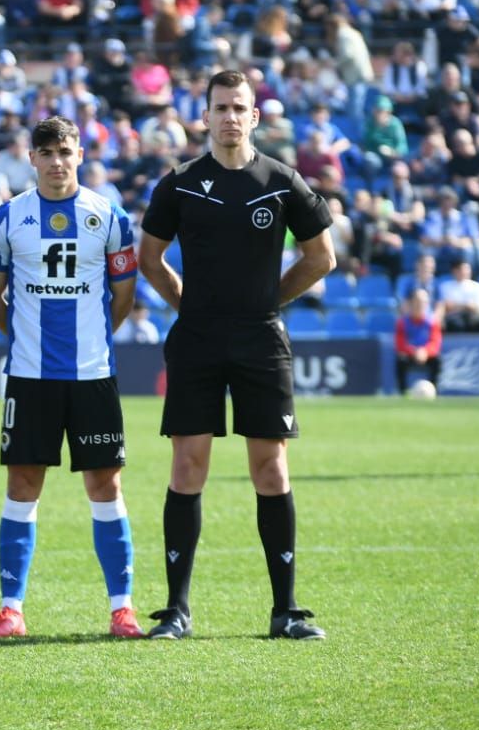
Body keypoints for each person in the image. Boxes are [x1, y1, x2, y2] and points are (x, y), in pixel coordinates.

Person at [137, 69, 336, 641]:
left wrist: (268, 300)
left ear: (254, 116)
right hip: (197, 338)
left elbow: (322, 258)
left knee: (270, 467)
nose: (229, 117)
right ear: (205, 116)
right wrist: (188, 304)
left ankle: (285, 611)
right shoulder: (179, 183)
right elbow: (149, 258)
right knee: (188, 465)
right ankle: (176, 611)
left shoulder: (281, 181)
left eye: (238, 107)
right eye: (219, 107)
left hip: (260, 339)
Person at [0, 116, 145, 640]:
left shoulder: (109, 216)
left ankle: (122, 609)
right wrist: (23, 336)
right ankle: (11, 610)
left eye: (65, 151)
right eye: (46, 152)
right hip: (30, 377)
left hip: (93, 375)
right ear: (31, 158)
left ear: (80, 155)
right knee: (22, 484)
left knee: (106, 484)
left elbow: (123, 296)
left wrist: (92, 337)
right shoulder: (8, 217)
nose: (56, 161)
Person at [394, 288, 443, 394]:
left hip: (427, 355)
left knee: (437, 360)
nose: (420, 305)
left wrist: (425, 351)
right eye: (417, 302)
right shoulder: (402, 323)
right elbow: (400, 344)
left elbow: (435, 343)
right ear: (411, 303)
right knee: (400, 360)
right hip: (410, 355)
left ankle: (434, 391)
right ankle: (403, 393)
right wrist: (414, 351)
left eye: (423, 302)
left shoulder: (433, 322)